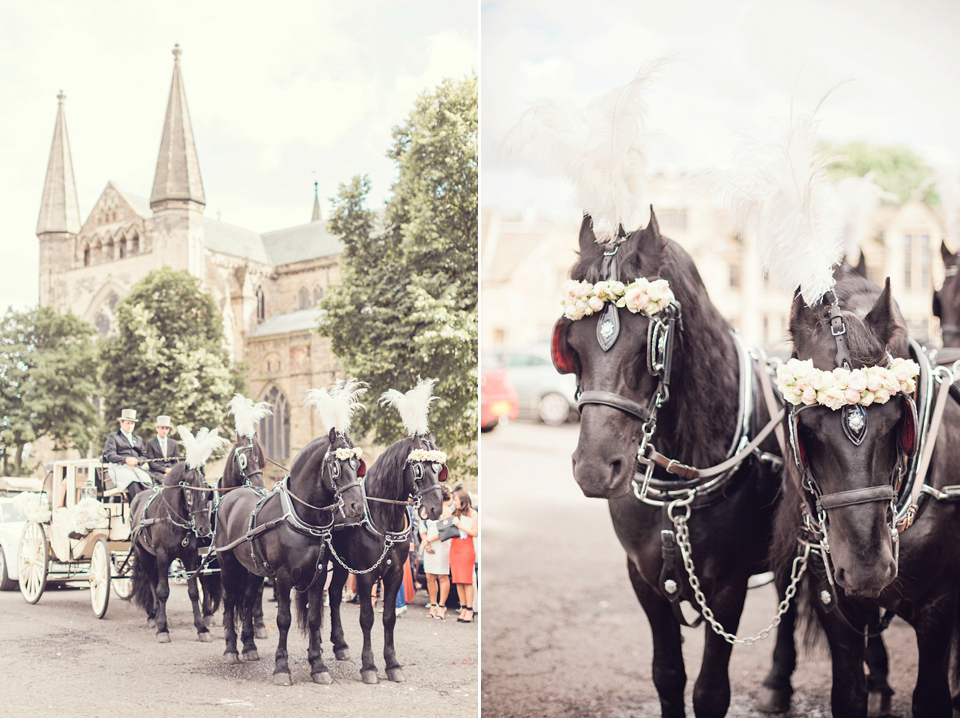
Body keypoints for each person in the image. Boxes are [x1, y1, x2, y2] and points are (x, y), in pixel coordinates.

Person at [102, 408, 152, 502]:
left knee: (148, 485)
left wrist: (137, 460)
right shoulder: (113, 437)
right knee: (134, 484)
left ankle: (148, 510)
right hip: (120, 468)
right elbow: (110, 455)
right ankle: (136, 510)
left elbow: (144, 456)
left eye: (132, 423)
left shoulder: (138, 439)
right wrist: (126, 459)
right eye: (128, 423)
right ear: (121, 423)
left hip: (136, 468)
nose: (130, 426)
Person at [419, 486, 454, 619]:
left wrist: (428, 539)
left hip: (442, 545)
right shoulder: (428, 509)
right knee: (429, 576)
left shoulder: (447, 511)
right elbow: (422, 528)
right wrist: (425, 542)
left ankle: (441, 606)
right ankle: (433, 604)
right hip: (428, 545)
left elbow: (445, 531)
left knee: (442, 576)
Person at [448, 485, 478, 623]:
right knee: (458, 580)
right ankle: (463, 608)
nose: (454, 502)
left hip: (466, 549)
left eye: (456, 499)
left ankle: (470, 609)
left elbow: (475, 533)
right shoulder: (455, 513)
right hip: (455, 548)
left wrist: (460, 525)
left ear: (463, 500)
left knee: (467, 580)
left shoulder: (473, 513)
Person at [145, 415, 179, 479]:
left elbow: (176, 461)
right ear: (157, 428)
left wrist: (171, 470)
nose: (164, 431)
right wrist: (165, 470)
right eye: (162, 428)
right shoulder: (150, 443)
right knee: (166, 481)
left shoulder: (173, 443)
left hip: (172, 471)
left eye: (167, 428)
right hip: (157, 472)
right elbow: (151, 463)